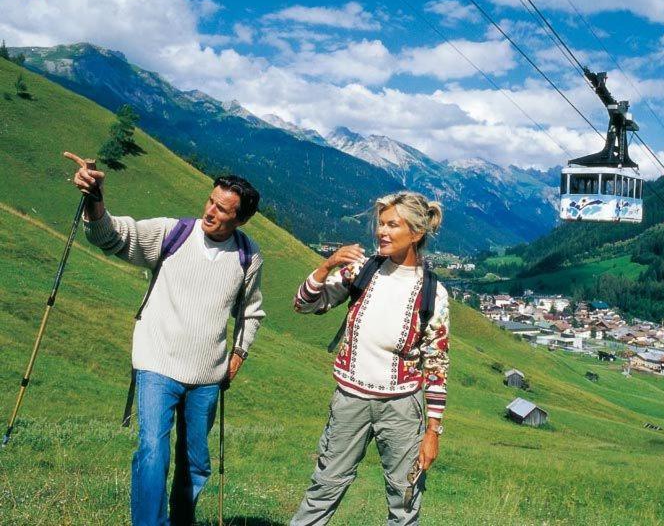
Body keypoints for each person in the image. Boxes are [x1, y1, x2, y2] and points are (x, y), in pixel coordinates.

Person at [65, 151, 265, 526]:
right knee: (153, 452)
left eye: (222, 209)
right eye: (210, 200)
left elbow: (250, 313)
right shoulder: (172, 233)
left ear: (240, 218)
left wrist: (238, 354)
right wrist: (94, 198)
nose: (210, 211)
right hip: (157, 362)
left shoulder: (247, 255)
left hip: (207, 375)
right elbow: (111, 237)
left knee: (195, 464)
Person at [291, 191, 450, 526]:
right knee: (324, 487)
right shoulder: (360, 272)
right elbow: (304, 304)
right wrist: (327, 265)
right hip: (350, 400)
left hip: (403, 410)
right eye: (381, 224)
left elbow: (436, 366)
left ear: (416, 233)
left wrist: (433, 430)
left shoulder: (433, 292)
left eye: (393, 225)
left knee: (405, 498)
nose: (382, 231)